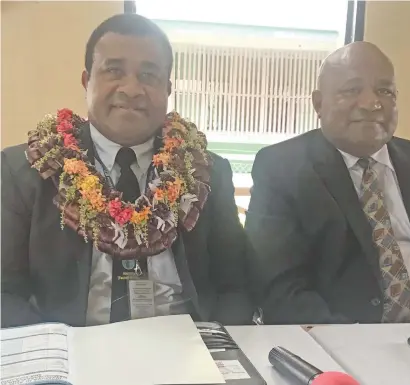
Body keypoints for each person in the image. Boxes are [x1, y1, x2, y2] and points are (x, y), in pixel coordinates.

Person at [1, 14, 252, 328]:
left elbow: (235, 287)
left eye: (149, 74)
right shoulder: (29, 170)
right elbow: (5, 293)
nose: (132, 89)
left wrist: (216, 347)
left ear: (168, 89)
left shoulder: (203, 172)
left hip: (185, 349)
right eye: (114, 70)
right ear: (86, 81)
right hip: (75, 350)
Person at [246, 41, 410, 325]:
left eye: (384, 91)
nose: (372, 103)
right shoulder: (281, 168)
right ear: (318, 103)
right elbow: (280, 289)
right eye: (352, 90)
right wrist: (356, 345)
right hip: (346, 343)